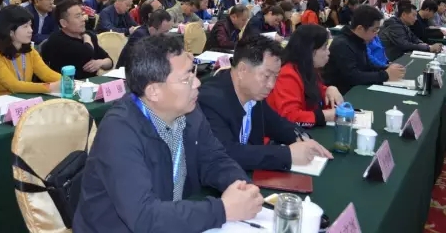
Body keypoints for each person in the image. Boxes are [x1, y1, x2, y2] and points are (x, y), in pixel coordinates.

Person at [74, 35, 262, 233]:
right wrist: (222, 210)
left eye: (193, 73)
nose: (197, 83)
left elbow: (214, 160)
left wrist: (242, 188)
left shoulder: (189, 111)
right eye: (186, 78)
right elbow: (144, 217)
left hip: (172, 222)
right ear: (154, 91)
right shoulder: (118, 133)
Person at [198, 35, 333, 171]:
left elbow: (276, 123)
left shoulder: (253, 94)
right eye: (267, 76)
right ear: (243, 70)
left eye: (275, 77)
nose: (271, 85)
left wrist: (302, 138)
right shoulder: (210, 100)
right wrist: (287, 154)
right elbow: (227, 153)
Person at [267, 25, 344, 127]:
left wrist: (330, 89)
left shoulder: (308, 69)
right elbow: (290, 117)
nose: (328, 52)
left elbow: (315, 93)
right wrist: (324, 116)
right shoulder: (287, 74)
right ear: (310, 51)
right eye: (324, 48)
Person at [0, 6, 61, 98]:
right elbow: (14, 86)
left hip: (18, 99)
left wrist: (67, 81)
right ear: (10, 31)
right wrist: (49, 87)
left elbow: (46, 74)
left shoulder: (30, 51)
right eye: (25, 26)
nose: (31, 30)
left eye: (30, 25)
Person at [323, 5, 405, 94]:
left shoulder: (359, 40)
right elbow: (352, 76)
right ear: (360, 28)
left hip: (355, 88)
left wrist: (387, 68)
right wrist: (385, 74)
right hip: (343, 94)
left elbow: (367, 65)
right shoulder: (342, 44)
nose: (376, 35)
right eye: (374, 30)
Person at [41, 0, 113, 80]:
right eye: (77, 16)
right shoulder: (57, 40)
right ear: (64, 23)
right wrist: (87, 37)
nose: (83, 19)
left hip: (91, 83)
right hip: (66, 84)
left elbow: (110, 62)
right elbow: (88, 52)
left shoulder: (86, 36)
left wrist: (100, 63)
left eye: (82, 14)